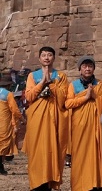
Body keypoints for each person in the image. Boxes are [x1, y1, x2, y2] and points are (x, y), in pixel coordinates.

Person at [23, 46, 68, 191]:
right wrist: (42, 82)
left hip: (55, 120)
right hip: (37, 119)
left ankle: (49, 182)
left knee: (52, 152)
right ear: (39, 58)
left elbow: (63, 99)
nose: (47, 57)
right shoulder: (32, 76)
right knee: (37, 152)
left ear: (54, 58)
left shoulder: (61, 76)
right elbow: (29, 97)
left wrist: (52, 84)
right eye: (44, 55)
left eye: (49, 55)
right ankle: (37, 183)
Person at [65, 55, 102, 191]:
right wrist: (85, 97)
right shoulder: (73, 86)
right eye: (84, 66)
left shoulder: (101, 85)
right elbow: (68, 103)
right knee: (80, 156)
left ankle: (97, 183)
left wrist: (95, 97)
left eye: (90, 66)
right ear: (80, 69)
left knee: (97, 156)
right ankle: (80, 185)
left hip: (97, 128)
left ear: (94, 69)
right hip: (80, 127)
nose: (87, 69)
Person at [0, 85, 24, 175]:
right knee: (3, 145)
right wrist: (23, 119)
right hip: (4, 125)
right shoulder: (8, 94)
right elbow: (15, 110)